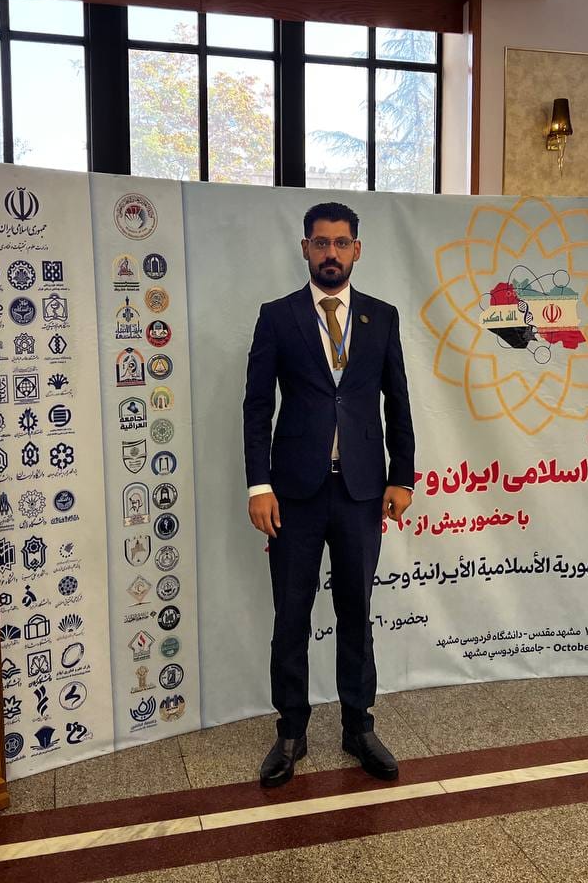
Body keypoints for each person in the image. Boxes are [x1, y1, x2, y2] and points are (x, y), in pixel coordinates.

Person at [243, 201, 415, 789]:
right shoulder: (278, 317)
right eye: (321, 243)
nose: (332, 253)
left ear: (357, 250)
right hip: (293, 493)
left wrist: (402, 476)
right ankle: (291, 731)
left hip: (362, 490)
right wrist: (259, 484)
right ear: (306, 249)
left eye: (342, 243)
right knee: (291, 613)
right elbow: (257, 407)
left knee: (356, 613)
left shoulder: (381, 317)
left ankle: (358, 726)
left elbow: (398, 400)